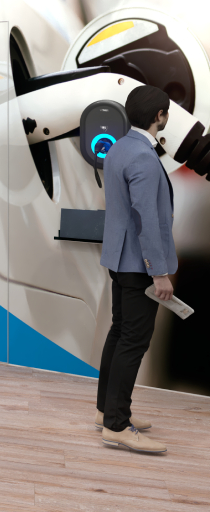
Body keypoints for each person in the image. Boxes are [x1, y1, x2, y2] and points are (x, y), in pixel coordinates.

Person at [97, 85, 177, 455]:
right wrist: (158, 272)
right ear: (159, 115)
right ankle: (116, 425)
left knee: (119, 334)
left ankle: (108, 411)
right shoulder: (143, 156)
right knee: (133, 340)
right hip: (139, 266)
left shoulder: (118, 147)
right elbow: (146, 219)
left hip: (119, 259)